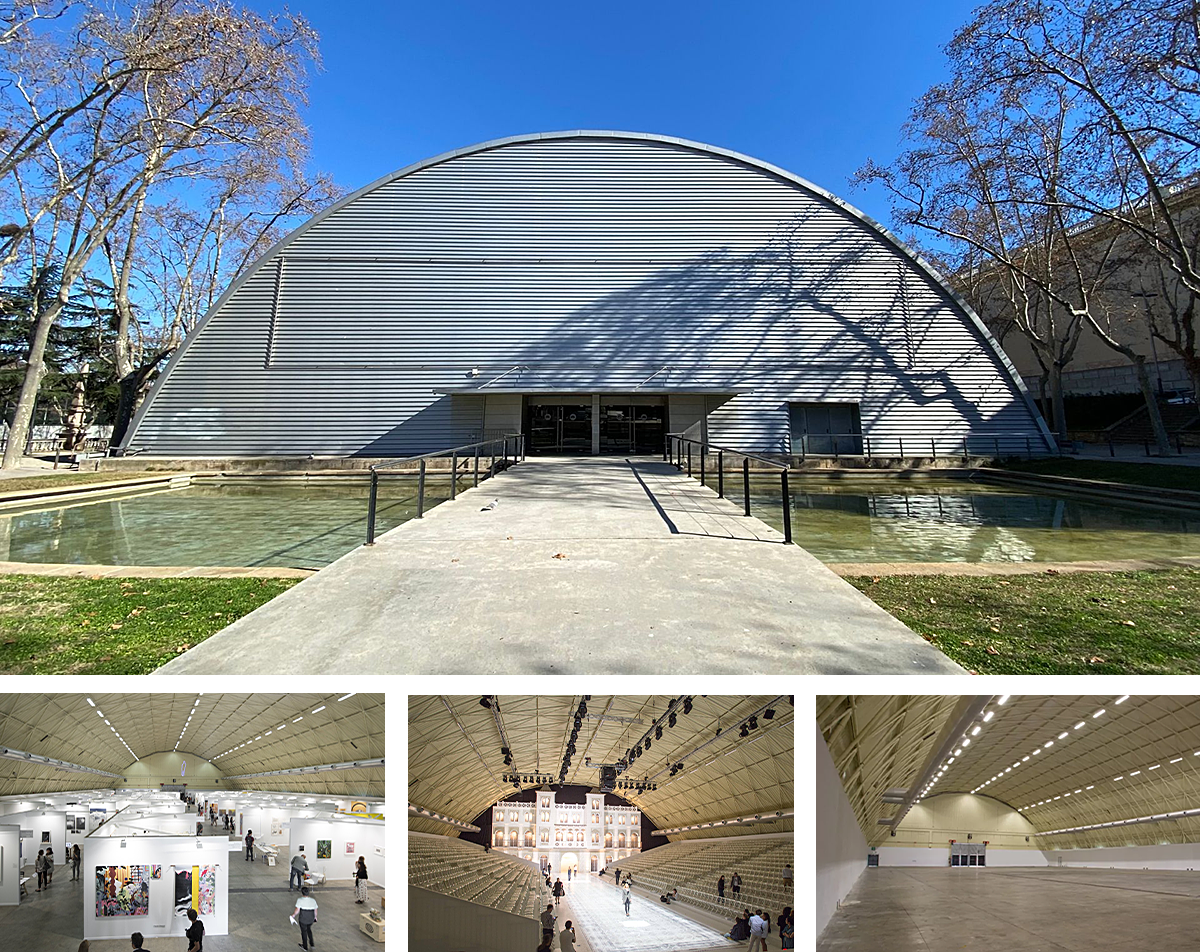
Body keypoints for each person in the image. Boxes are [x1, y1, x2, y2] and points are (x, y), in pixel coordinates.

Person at [293, 886, 318, 950]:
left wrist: (293, 915)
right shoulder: (313, 900)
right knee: (309, 930)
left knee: (304, 932)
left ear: (302, 893)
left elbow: (297, 910)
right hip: (311, 919)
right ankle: (312, 944)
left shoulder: (300, 900)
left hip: (303, 919)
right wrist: (315, 917)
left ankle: (305, 946)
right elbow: (315, 910)